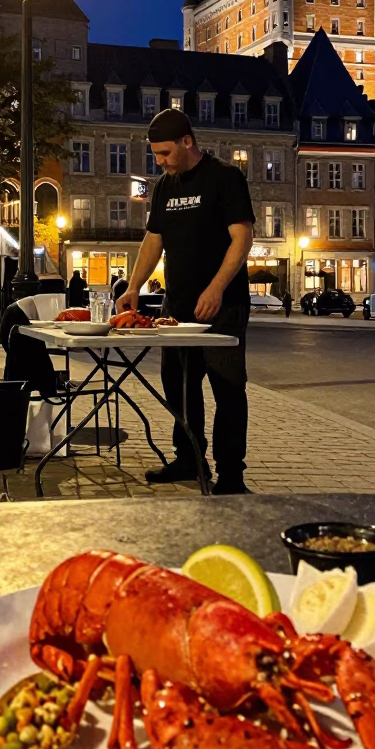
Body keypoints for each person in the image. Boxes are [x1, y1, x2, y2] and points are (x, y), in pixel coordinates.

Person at [116, 109, 254, 495]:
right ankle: (189, 458)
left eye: (164, 153)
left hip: (223, 307)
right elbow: (153, 241)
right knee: (179, 386)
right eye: (156, 155)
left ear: (187, 142)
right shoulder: (164, 186)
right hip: (176, 308)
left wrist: (216, 287)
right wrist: (133, 286)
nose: (160, 162)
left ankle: (231, 475)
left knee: (227, 389)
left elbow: (242, 238)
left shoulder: (224, 178)